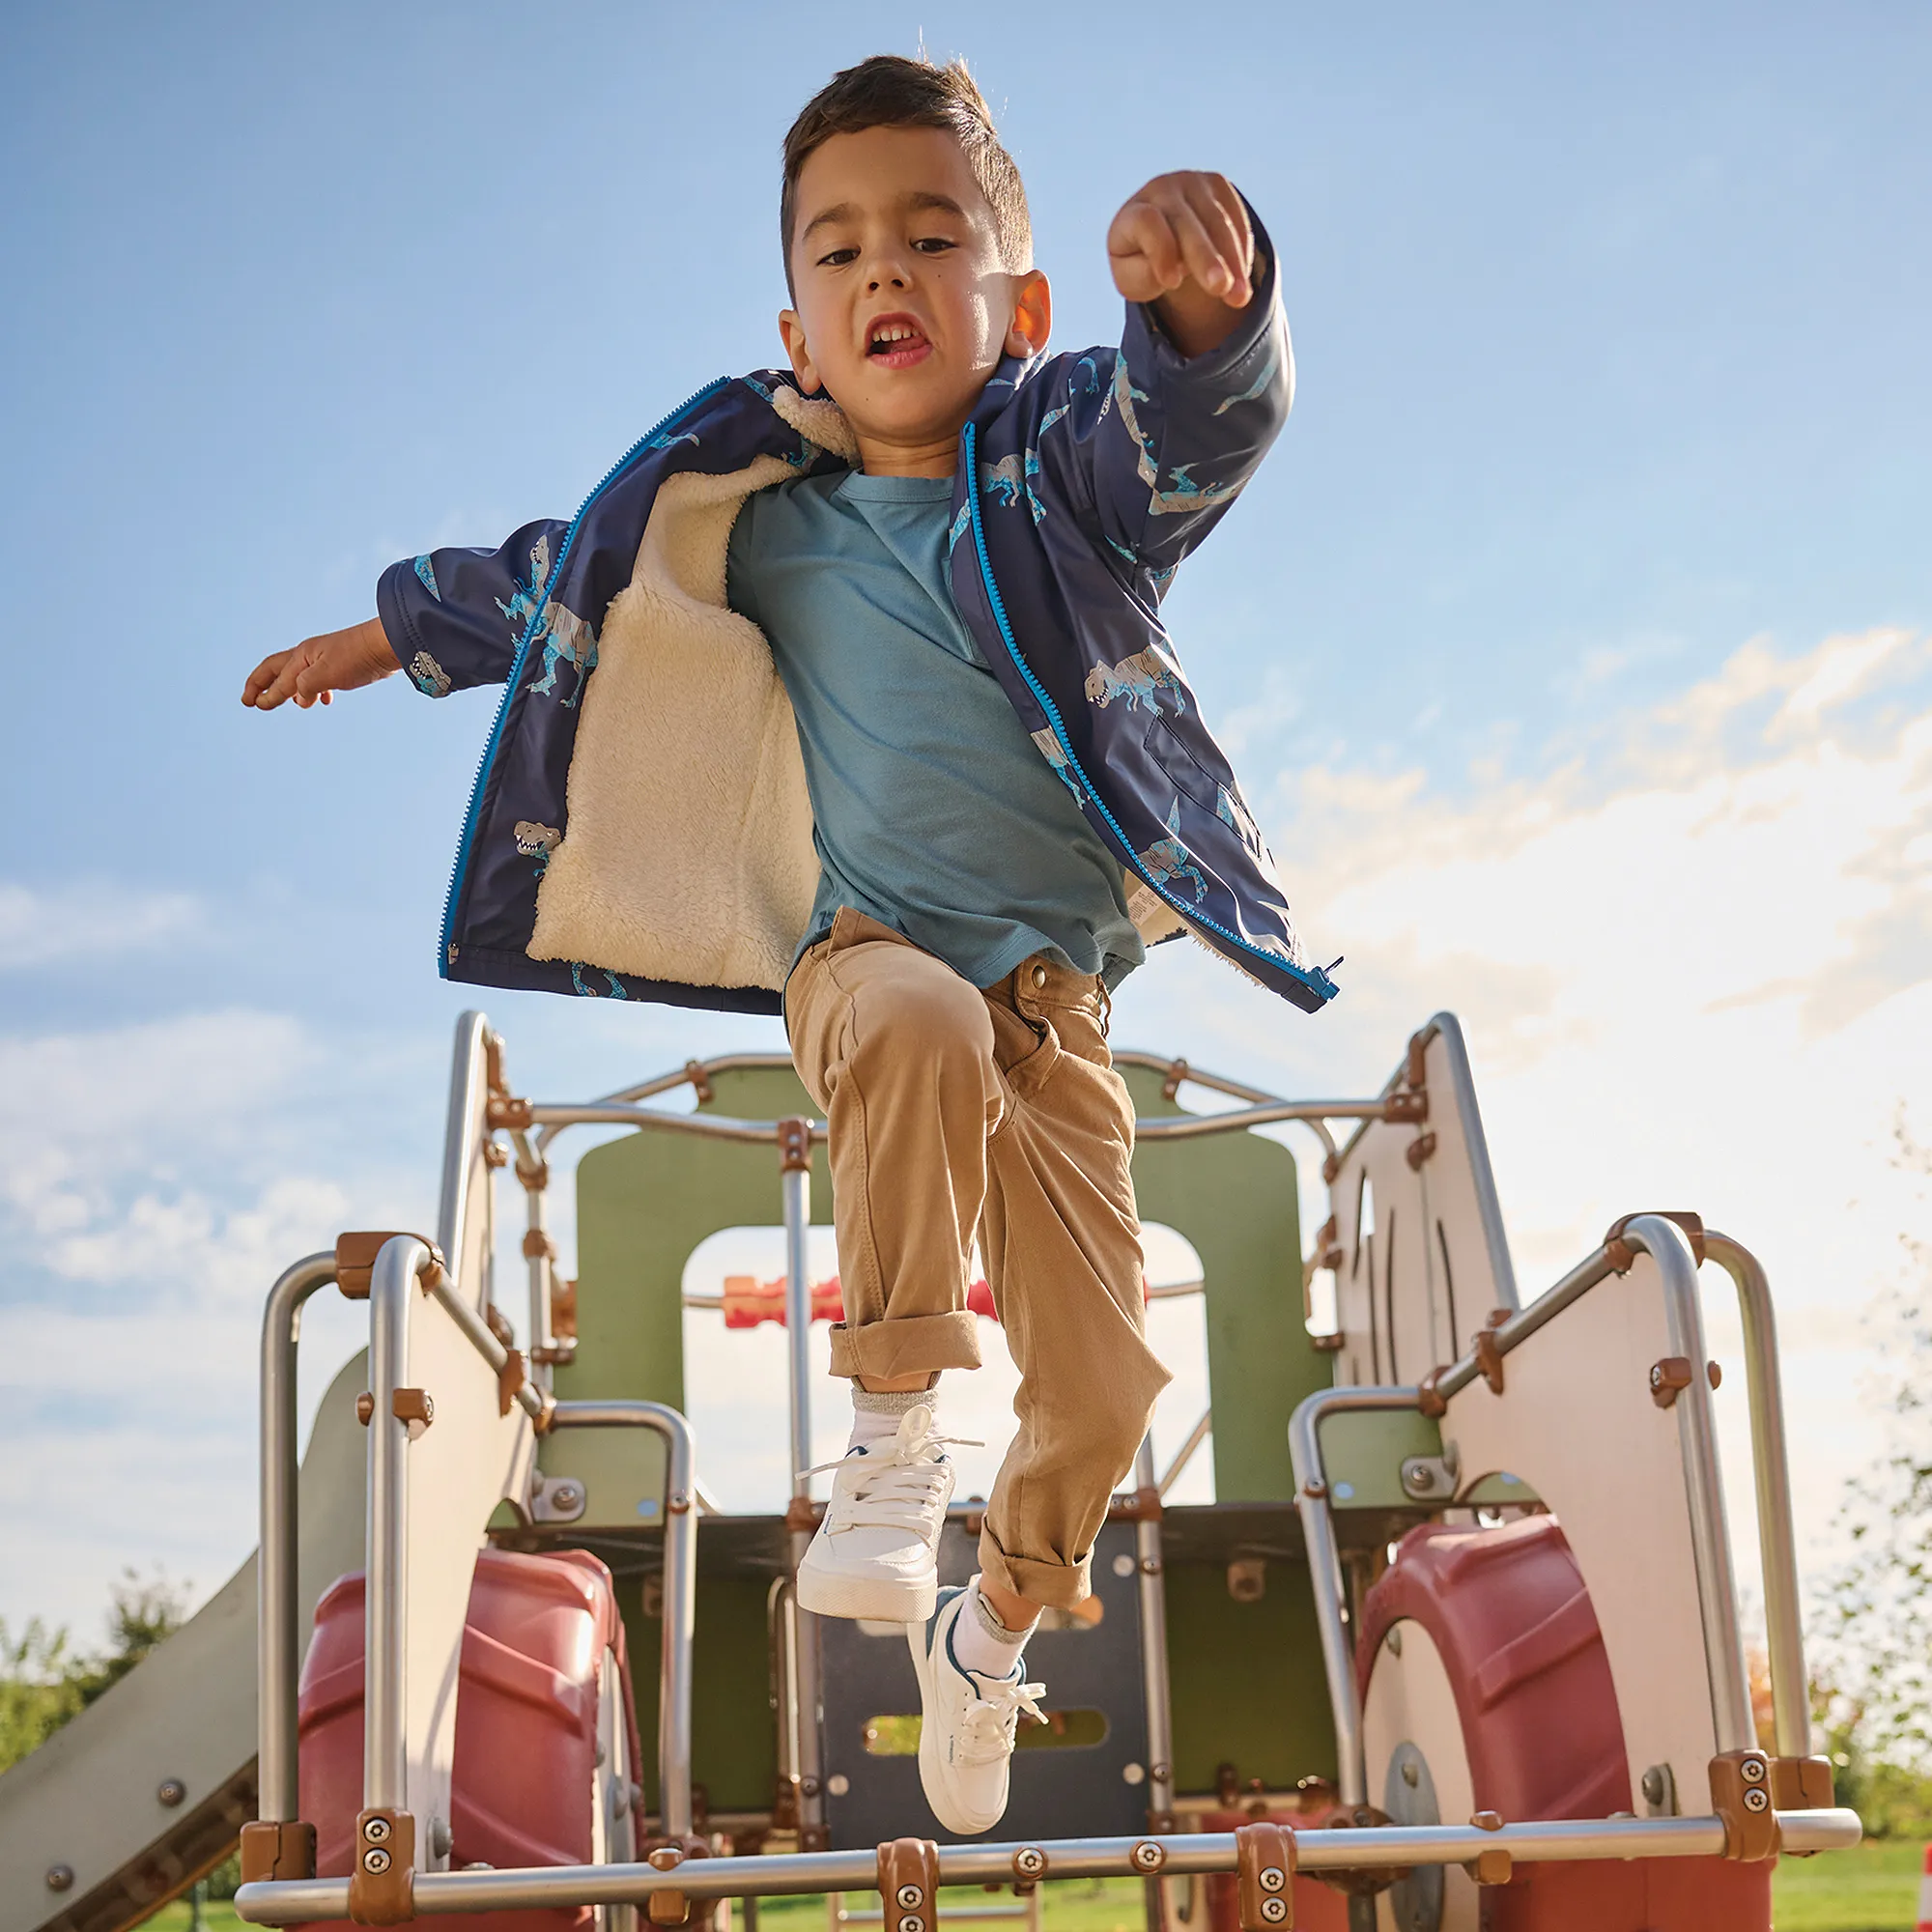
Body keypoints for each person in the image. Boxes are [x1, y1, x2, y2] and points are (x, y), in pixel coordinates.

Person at [242, 53, 1334, 1837]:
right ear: (795, 329)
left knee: (1113, 1384)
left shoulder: (1064, 488)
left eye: (931, 236)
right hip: (861, 949)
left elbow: (1186, 434)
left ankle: (989, 1633)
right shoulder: (760, 518)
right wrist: (382, 637)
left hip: (1055, 1012)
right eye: (837, 253)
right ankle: (893, 1441)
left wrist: (1211, 321)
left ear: (1024, 302)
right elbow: (555, 579)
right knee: (907, 1023)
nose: (883, 273)